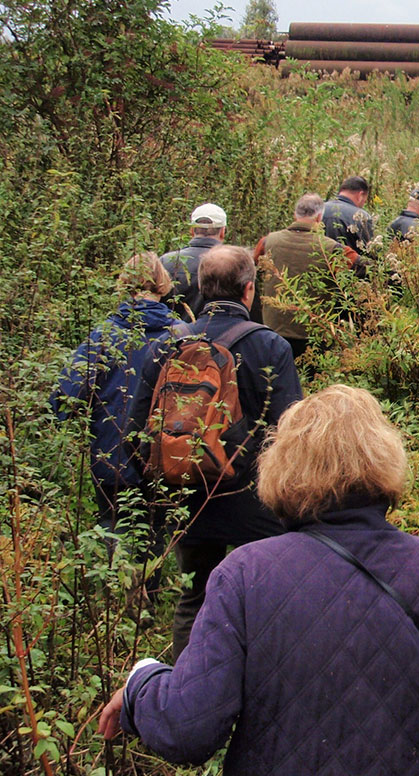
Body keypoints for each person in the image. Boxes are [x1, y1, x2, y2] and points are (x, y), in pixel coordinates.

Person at [99, 385, 419, 776]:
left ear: (282, 466)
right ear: (383, 458)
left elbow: (188, 729)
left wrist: (141, 682)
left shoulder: (245, 573)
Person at [128, 246, 302, 657]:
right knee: (258, 596)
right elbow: (289, 431)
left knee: (195, 598)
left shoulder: (168, 344)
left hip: (188, 490)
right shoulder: (270, 346)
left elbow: (138, 427)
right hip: (254, 500)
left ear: (202, 289)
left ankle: (188, 690)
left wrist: (164, 483)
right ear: (248, 290)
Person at [51, 253, 180, 580]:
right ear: (162, 285)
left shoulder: (103, 334)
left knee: (112, 527)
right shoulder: (181, 335)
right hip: (164, 455)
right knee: (154, 530)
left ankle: (112, 601)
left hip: (110, 454)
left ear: (125, 283)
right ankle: (147, 605)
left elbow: (65, 398)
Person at [254, 193, 361, 360]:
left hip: (272, 332)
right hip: (313, 337)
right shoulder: (334, 249)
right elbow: (364, 270)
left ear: (294, 215)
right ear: (319, 218)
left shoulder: (267, 241)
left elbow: (251, 272)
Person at [161, 203, 227, 320]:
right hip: (219, 337)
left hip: (173, 336)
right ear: (222, 232)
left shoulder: (166, 262)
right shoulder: (234, 264)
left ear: (191, 231)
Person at [322, 175, 374, 254]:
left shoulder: (318, 209)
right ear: (360, 195)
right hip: (348, 264)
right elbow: (369, 251)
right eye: (364, 200)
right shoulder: (361, 216)